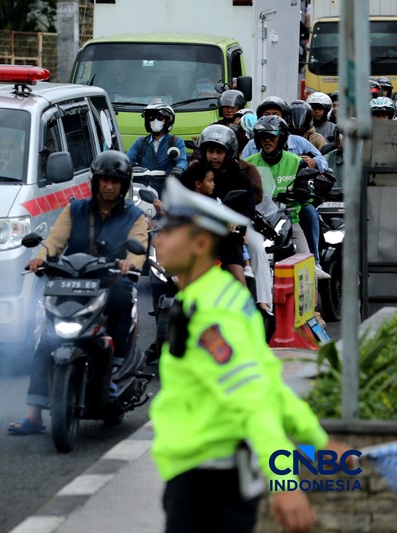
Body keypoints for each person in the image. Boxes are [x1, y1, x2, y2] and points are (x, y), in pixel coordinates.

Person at [149, 174, 350, 533]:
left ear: (199, 243)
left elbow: (250, 395)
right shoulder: (222, 296)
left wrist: (285, 481)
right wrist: (316, 440)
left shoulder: (210, 311)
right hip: (218, 476)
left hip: (207, 482)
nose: (158, 239)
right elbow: (267, 381)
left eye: (168, 232)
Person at [7, 151, 148, 434]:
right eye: (104, 180)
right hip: (73, 279)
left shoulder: (135, 216)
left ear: (124, 185)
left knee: (122, 299)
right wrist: (40, 258)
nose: (109, 186)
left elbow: (139, 246)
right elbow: (54, 241)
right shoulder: (75, 210)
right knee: (48, 338)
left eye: (115, 182)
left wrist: (129, 264)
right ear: (95, 181)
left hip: (111, 281)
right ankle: (34, 413)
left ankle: (116, 364)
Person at [245, 116, 330, 281]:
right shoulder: (248, 164)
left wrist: (303, 191)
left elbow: (307, 189)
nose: (267, 141)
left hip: (290, 219)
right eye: (263, 137)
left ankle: (311, 303)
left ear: (281, 138)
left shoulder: (297, 162)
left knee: (308, 268)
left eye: (272, 137)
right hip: (257, 222)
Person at [196, 125, 257, 286]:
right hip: (196, 238)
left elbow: (249, 208)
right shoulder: (193, 173)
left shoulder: (240, 178)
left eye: (219, 152)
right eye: (210, 151)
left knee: (238, 280)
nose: (214, 156)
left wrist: (237, 220)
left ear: (229, 153)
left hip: (228, 239)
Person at [241, 96, 329, 172]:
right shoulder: (252, 145)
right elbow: (241, 169)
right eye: (267, 114)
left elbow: (323, 161)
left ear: (284, 118)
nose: (271, 118)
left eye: (276, 115)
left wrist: (314, 162)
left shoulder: (298, 141)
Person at [126, 103, 188, 197]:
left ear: (168, 121)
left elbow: (182, 161)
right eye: (151, 118)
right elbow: (126, 160)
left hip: (167, 189)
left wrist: (177, 170)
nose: (155, 121)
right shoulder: (140, 142)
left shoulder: (176, 142)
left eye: (160, 118)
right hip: (143, 190)